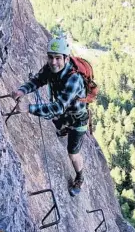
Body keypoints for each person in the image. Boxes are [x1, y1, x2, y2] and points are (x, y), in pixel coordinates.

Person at [11, 36, 88, 196]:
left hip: (77, 118)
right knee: (55, 121)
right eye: (51, 57)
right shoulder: (50, 68)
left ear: (66, 59)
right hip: (64, 114)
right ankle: (63, 128)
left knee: (72, 153)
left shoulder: (74, 79)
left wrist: (29, 108)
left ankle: (80, 177)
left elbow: (58, 107)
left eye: (58, 58)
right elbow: (37, 81)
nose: (53, 62)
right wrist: (22, 90)